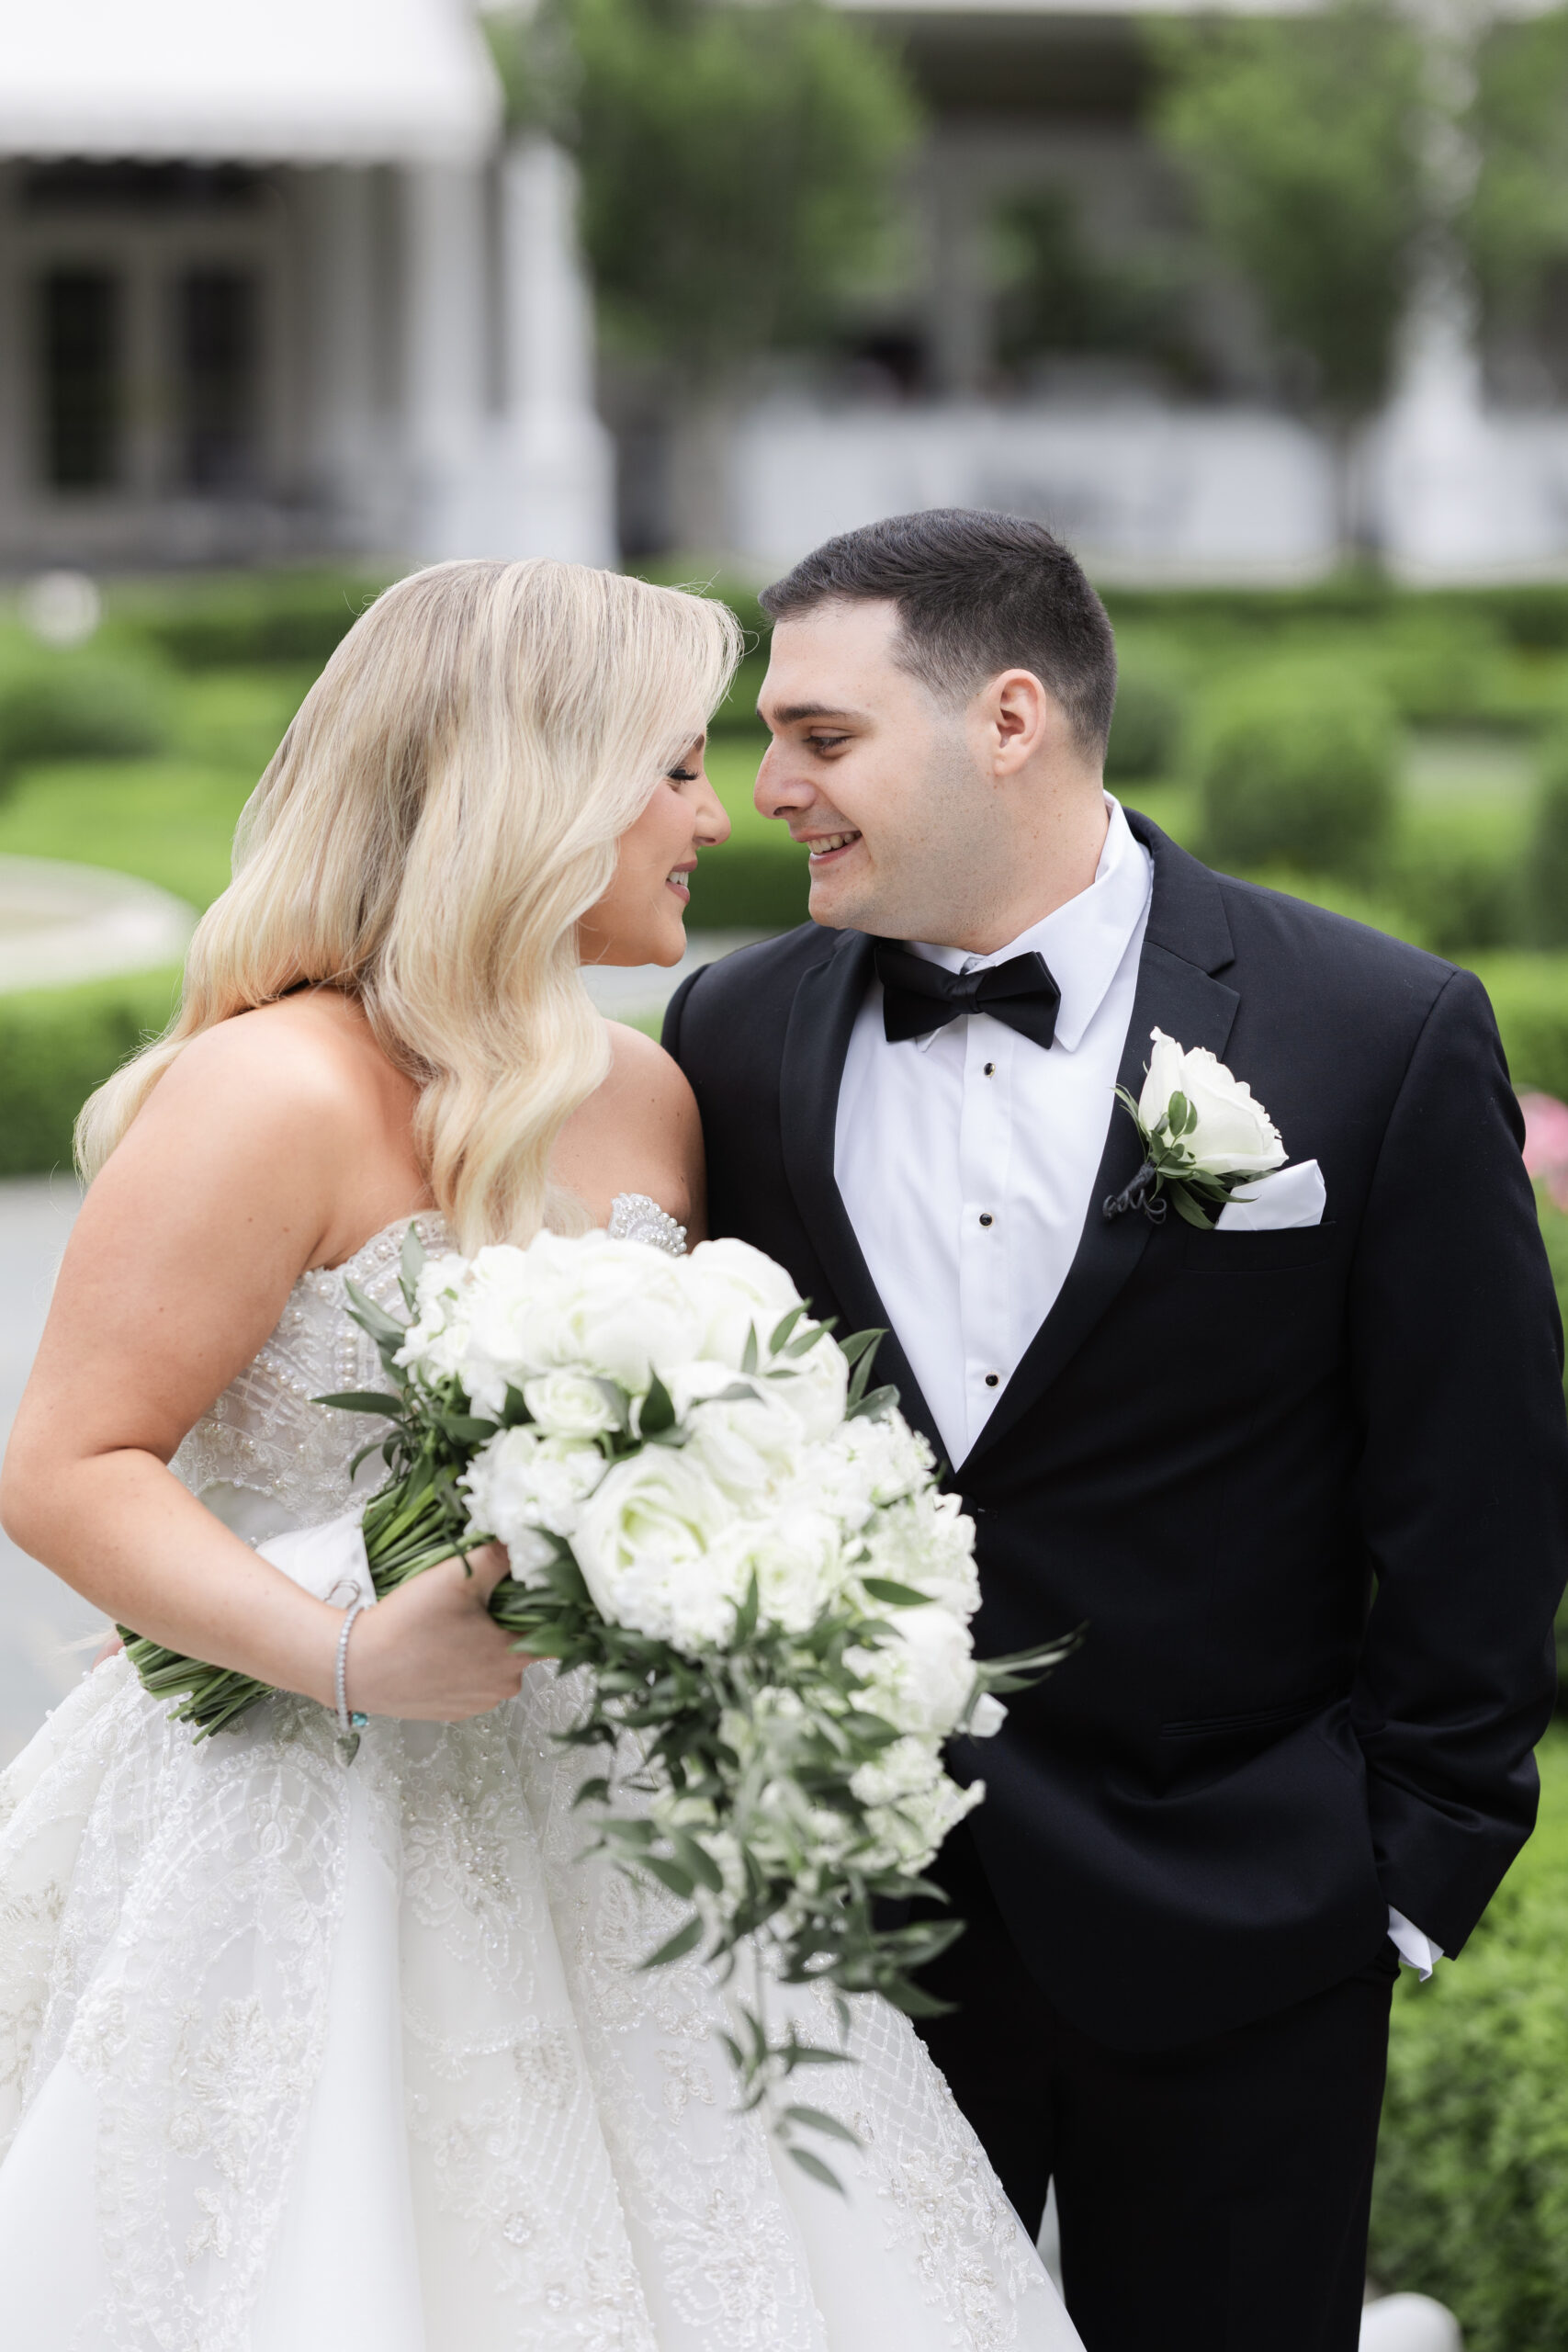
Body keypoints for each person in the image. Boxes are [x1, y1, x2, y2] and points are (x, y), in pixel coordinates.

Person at [0, 558, 1077, 2352]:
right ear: (531, 790)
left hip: (634, 1822)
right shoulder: (269, 1093)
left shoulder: (649, 1091)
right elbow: (67, 1459)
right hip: (302, 1809)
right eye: (668, 768)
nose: (712, 816)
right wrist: (343, 1644)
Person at [661, 508, 1568, 2352]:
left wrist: (1407, 1874)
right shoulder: (729, 1031)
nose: (770, 788)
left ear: (1006, 718)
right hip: (855, 1936)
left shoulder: (1372, 1030)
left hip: (1247, 1918)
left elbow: (1477, 1487)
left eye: (820, 736)